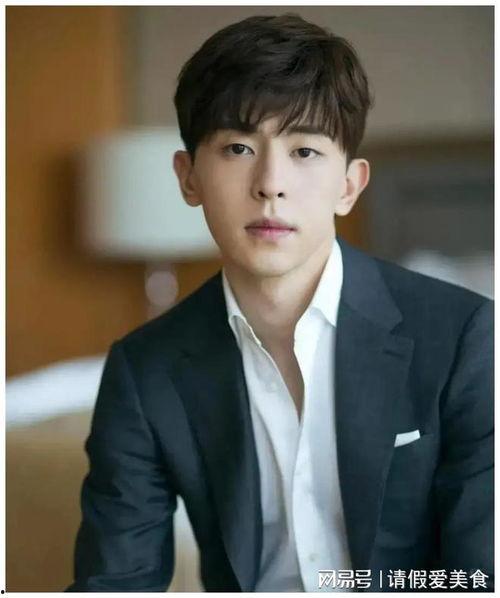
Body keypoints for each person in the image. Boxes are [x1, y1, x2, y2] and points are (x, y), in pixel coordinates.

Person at [66, 13, 493, 592]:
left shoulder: (465, 337)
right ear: (188, 177)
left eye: (305, 151)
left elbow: (481, 575)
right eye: (238, 147)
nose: (270, 183)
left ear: (349, 185)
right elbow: (115, 581)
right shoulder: (145, 371)